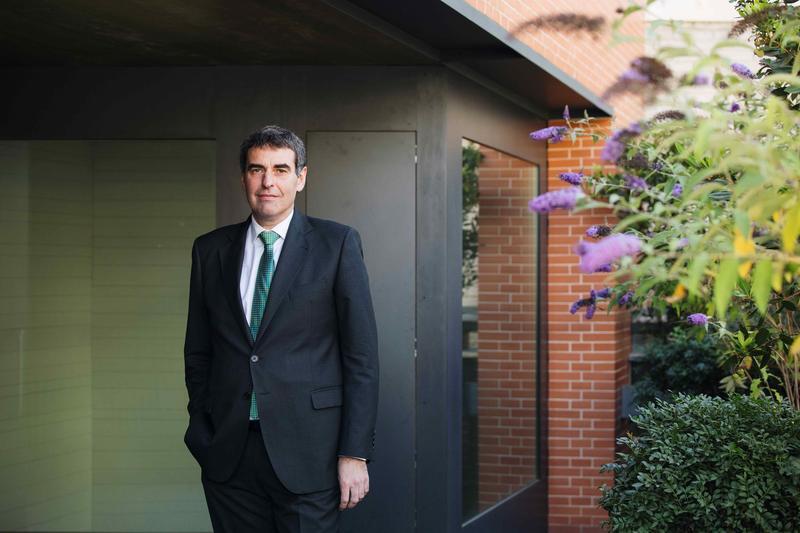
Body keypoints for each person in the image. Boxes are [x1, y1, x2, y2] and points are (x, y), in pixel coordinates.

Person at [183, 125, 379, 532]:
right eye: (257, 169)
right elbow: (198, 351)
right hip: (229, 455)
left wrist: (354, 453)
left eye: (280, 169)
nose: (267, 181)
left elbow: (360, 357)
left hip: (312, 454)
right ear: (243, 178)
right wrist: (202, 427)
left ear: (301, 177)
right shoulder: (210, 250)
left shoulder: (337, 244)